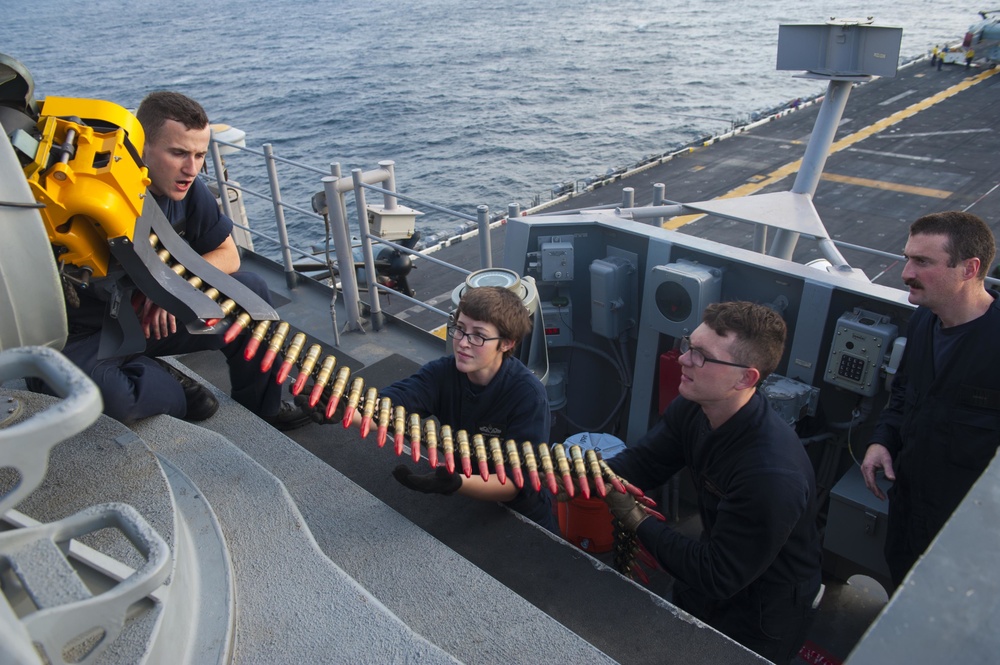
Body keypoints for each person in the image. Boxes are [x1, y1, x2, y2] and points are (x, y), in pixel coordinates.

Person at [31, 91, 310, 430]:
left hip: (152, 320)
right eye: (178, 153)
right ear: (140, 147)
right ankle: (166, 382)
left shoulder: (188, 190)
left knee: (252, 294)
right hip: (88, 334)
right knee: (108, 401)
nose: (191, 169)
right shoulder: (81, 202)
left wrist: (169, 287)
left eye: (199, 155)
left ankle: (264, 409)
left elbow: (229, 255)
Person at [601, 301, 822, 664]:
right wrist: (593, 475)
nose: (684, 359)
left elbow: (718, 574)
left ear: (745, 378)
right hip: (709, 580)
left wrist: (637, 520)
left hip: (762, 613)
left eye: (701, 356)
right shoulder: (696, 405)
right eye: (689, 345)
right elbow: (646, 462)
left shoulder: (771, 476)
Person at [306, 285, 558, 533]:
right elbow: (389, 408)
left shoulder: (527, 395)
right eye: (459, 329)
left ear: (506, 343)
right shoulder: (443, 373)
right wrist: (345, 410)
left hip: (522, 516)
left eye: (478, 335)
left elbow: (516, 483)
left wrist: (456, 482)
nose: (462, 343)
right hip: (465, 498)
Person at [860, 211, 1000, 586]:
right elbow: (905, 391)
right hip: (909, 509)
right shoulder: (924, 320)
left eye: (922, 262)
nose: (906, 272)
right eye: (907, 258)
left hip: (967, 534)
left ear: (969, 269)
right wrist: (882, 440)